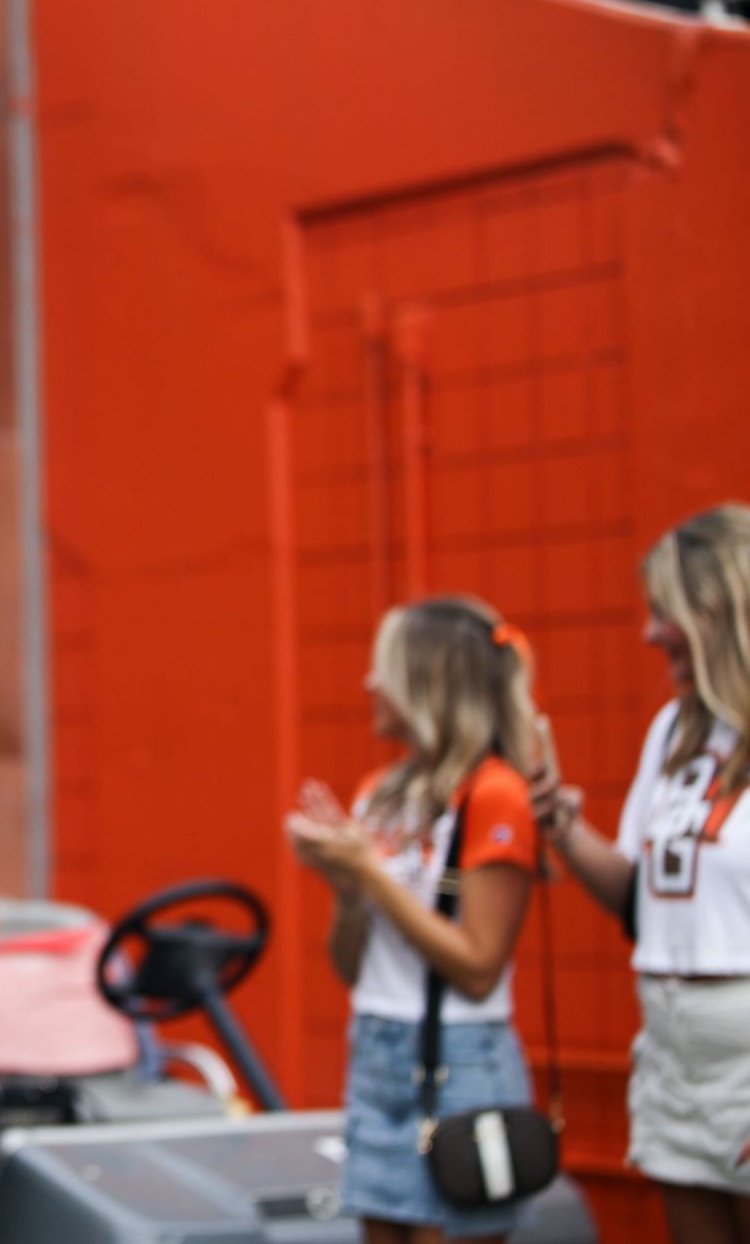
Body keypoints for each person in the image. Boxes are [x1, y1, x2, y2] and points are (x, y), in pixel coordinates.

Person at [286, 596, 544, 1244]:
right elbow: (351, 966)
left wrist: (370, 871)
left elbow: (480, 966)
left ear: (429, 682)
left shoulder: (494, 794)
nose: (370, 684)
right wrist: (346, 888)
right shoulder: (381, 791)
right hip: (376, 1048)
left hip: (459, 1059)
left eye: (386, 668)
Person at [532, 504, 750, 1244]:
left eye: (666, 612)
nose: (649, 633)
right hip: (669, 1041)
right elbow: (640, 901)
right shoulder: (675, 728)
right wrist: (560, 824)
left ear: (722, 609)